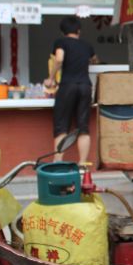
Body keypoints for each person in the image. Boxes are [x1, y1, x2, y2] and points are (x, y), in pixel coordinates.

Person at [45, 16, 96, 163]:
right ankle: (82, 165)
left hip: (68, 86)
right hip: (85, 86)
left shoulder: (61, 42)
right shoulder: (87, 45)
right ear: (79, 30)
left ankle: (58, 162)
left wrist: (51, 78)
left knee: (61, 126)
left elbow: (59, 59)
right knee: (83, 127)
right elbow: (94, 59)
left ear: (63, 32)